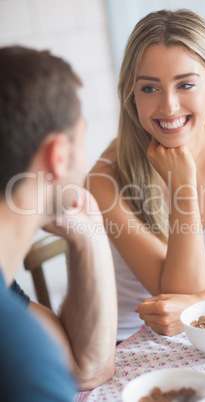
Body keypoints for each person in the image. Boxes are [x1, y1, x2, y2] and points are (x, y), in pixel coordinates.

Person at [87, 9, 205, 342]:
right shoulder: (104, 179)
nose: (169, 107)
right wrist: (183, 186)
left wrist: (204, 302)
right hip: (125, 340)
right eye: (149, 89)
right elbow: (177, 292)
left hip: (199, 321)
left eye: (185, 84)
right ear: (131, 93)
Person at [0, 46, 117, 400]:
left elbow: (87, 369)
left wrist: (89, 233)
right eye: (82, 138)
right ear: (59, 155)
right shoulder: (20, 352)